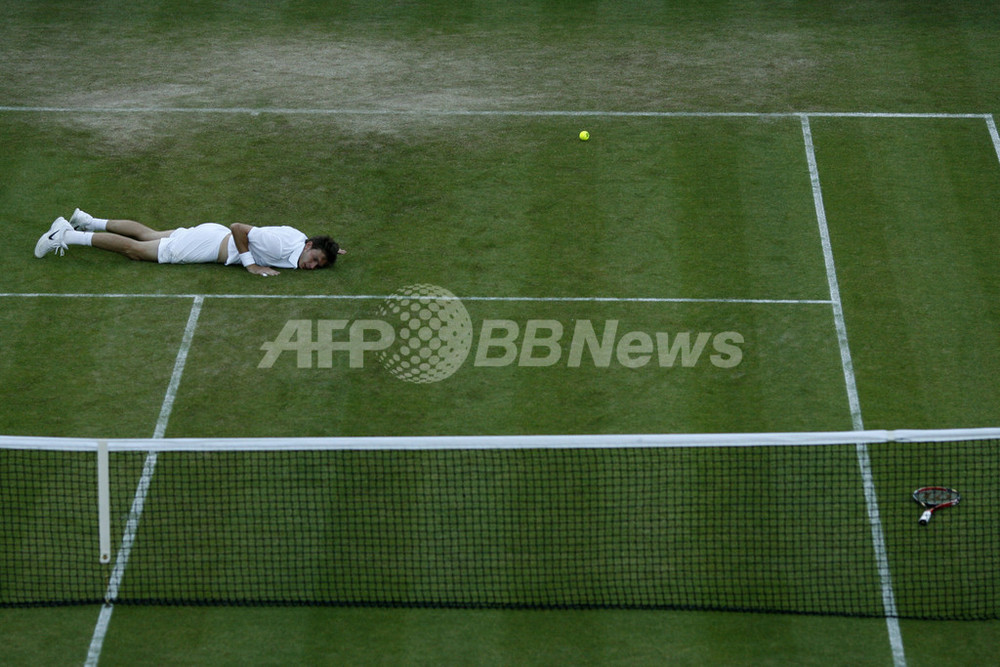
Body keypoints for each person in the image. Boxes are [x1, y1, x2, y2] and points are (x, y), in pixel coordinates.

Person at [34, 209, 346, 276]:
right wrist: (251, 265)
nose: (313, 266)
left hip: (210, 235)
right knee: (137, 251)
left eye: (319, 264)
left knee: (149, 234)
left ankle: (84, 220)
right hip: (209, 246)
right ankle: (66, 235)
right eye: (316, 258)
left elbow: (309, 243)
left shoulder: (299, 238)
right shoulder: (280, 247)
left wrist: (333, 250)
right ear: (308, 246)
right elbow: (239, 227)